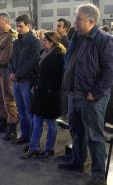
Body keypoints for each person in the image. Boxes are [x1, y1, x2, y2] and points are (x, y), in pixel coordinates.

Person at [59, 4, 113, 185]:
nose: (74, 22)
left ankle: (98, 174)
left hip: (92, 97)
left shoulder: (104, 39)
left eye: (78, 19)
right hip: (75, 93)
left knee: (94, 136)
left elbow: (110, 72)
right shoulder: (77, 36)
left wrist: (95, 93)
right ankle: (77, 161)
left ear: (91, 21)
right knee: (76, 130)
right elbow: (71, 62)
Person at [21, 31, 65, 159]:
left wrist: (50, 90)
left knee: (51, 123)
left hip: (51, 95)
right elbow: (38, 72)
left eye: (45, 41)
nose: (42, 42)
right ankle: (33, 147)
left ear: (52, 42)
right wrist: (35, 85)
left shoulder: (59, 55)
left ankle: (49, 148)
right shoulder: (43, 53)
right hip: (40, 92)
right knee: (37, 119)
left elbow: (59, 77)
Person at [8, 14, 41, 141]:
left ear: (28, 26)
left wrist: (17, 74)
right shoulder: (16, 42)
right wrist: (11, 71)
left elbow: (32, 61)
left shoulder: (34, 42)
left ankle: (33, 139)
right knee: (20, 111)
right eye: (17, 27)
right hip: (16, 80)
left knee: (29, 112)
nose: (18, 29)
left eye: (21, 26)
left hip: (27, 80)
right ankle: (24, 135)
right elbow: (11, 59)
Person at [0, 13, 18, 139]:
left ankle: (12, 127)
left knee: (9, 99)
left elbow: (7, 55)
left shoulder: (11, 36)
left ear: (5, 21)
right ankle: (1, 122)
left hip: (5, 71)